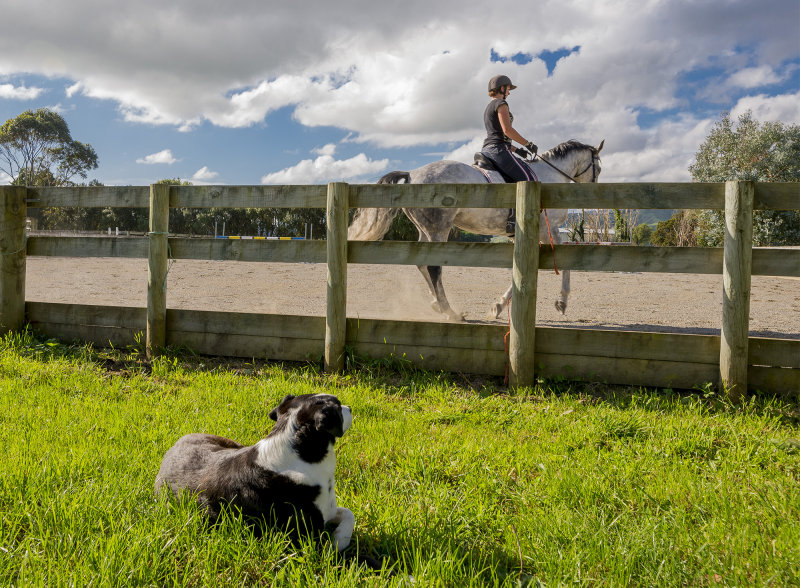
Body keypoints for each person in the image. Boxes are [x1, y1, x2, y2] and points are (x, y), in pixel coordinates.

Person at [480, 75, 538, 183]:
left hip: (487, 150)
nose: (509, 92)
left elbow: (497, 136)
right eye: (508, 89)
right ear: (502, 88)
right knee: (530, 181)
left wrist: (517, 150)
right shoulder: (501, 104)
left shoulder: (488, 107)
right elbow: (507, 130)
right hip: (498, 150)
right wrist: (527, 144)